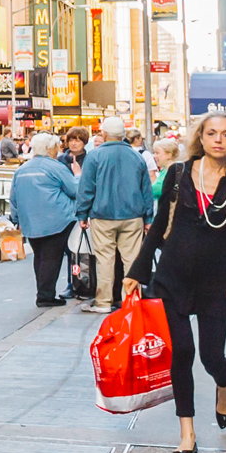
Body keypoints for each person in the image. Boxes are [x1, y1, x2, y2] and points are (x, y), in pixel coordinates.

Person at [129, 113, 226, 453]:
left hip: (215, 280)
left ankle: (224, 384)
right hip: (172, 277)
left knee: (212, 356)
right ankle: (187, 433)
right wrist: (137, 271)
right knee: (181, 353)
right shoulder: (179, 173)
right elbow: (158, 226)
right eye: (212, 133)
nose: (218, 140)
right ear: (201, 137)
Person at [76, 116, 155, 314]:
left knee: (104, 259)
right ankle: (131, 302)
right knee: (132, 260)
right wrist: (148, 218)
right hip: (133, 215)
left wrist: (82, 214)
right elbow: (146, 190)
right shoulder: (136, 157)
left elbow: (86, 189)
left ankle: (103, 302)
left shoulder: (94, 157)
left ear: (104, 134)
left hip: (102, 215)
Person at [12, 133, 79, 307]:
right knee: (51, 258)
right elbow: (74, 190)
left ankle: (43, 292)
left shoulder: (21, 170)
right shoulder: (56, 167)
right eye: (56, 147)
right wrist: (78, 175)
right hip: (57, 219)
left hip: (30, 221)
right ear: (50, 149)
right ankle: (45, 296)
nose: (58, 150)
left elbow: (14, 198)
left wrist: (16, 219)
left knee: (40, 257)